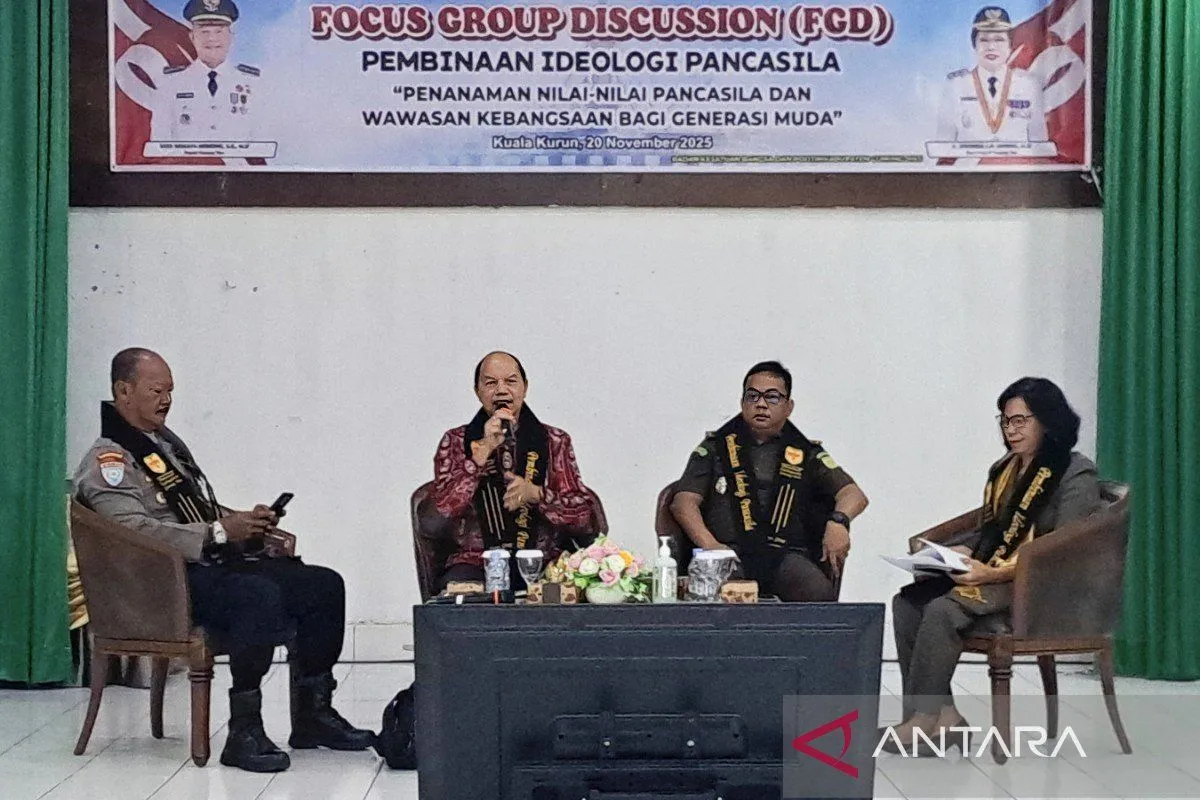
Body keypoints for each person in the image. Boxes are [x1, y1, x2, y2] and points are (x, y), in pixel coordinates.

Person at [73, 348, 374, 773]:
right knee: (257, 595)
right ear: (123, 391)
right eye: (156, 391)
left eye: (170, 391)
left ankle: (313, 714)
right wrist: (217, 533)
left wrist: (243, 524)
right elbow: (134, 532)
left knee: (322, 585)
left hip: (202, 566)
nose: (167, 400)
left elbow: (193, 510)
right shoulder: (110, 460)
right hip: (161, 585)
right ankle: (244, 731)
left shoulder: (162, 446)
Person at [885, 377, 1102, 751]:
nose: (1010, 430)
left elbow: (1064, 550)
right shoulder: (1007, 470)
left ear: (1047, 420)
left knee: (943, 609)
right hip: (997, 575)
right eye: (1005, 421)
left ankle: (923, 720)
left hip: (1041, 586)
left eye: (1020, 421)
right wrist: (960, 551)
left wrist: (994, 572)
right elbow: (993, 531)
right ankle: (945, 718)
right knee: (907, 603)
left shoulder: (1074, 472)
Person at [669, 361, 869, 601]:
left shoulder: (805, 452)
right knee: (717, 598)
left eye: (772, 397)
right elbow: (683, 503)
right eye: (752, 396)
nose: (761, 404)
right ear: (742, 402)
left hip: (785, 556)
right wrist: (711, 546)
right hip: (727, 553)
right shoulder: (716, 447)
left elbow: (853, 495)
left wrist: (838, 521)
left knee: (817, 593)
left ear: (788, 407)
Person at [428, 351, 599, 590]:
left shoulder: (554, 441)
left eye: (510, 381)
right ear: (477, 391)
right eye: (490, 383)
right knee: (458, 598)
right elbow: (439, 513)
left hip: (544, 562)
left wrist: (538, 494)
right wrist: (481, 453)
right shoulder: (456, 441)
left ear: (525, 388)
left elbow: (584, 518)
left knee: (569, 591)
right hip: (475, 562)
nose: (501, 391)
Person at [150, 0, 263, 142]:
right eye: (204, 32)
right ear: (192, 37)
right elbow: (160, 141)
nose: (211, 38)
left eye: (219, 31)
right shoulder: (171, 84)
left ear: (231, 36)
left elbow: (262, 139)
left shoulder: (253, 83)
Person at [935, 6, 1048, 143]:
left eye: (999, 40)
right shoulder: (956, 85)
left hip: (1017, 158)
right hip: (970, 157)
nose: (991, 47)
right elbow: (943, 143)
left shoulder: (1029, 85)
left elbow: (1039, 143)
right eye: (984, 40)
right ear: (974, 45)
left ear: (1010, 46)